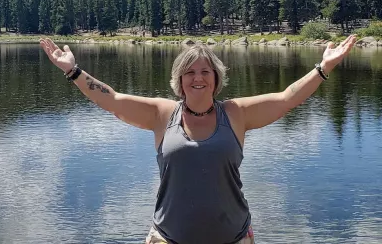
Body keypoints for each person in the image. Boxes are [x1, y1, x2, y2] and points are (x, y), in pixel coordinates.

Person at [39, 35, 357, 244]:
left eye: (206, 72)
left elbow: (287, 98)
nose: (198, 78)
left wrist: (323, 67)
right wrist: (73, 72)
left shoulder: (237, 114)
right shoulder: (162, 114)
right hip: (167, 238)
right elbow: (113, 99)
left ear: (216, 79)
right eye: (190, 72)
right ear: (180, 80)